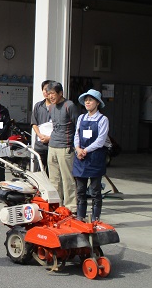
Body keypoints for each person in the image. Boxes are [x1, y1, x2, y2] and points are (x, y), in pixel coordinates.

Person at [73, 89, 109, 221]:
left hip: (95, 157)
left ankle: (95, 218)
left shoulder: (103, 119)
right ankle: (80, 216)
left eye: (90, 100)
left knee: (95, 191)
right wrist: (77, 148)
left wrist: (85, 150)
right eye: (86, 100)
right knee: (80, 190)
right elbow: (76, 135)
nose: (87, 102)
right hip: (80, 157)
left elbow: (100, 140)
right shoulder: (81, 118)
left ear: (98, 103)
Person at [47, 81, 79, 210]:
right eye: (49, 94)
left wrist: (76, 146)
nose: (51, 96)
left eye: (53, 93)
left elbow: (78, 126)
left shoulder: (69, 105)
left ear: (61, 93)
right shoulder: (51, 107)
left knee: (67, 179)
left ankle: (71, 207)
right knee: (54, 179)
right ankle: (57, 206)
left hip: (65, 147)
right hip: (52, 145)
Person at [31, 80, 52, 175]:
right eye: (44, 89)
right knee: (38, 172)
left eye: (49, 89)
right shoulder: (38, 106)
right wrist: (39, 135)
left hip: (52, 145)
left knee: (51, 173)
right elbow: (34, 123)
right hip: (39, 144)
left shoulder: (58, 107)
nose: (46, 92)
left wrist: (50, 138)